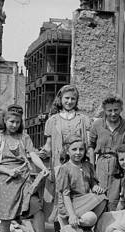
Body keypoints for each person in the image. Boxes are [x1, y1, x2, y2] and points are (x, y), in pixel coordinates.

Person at [0, 107, 50, 232]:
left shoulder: (24, 138)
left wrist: (43, 168)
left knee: (36, 207)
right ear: (4, 121)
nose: (14, 125)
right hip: (4, 182)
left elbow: (33, 155)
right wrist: (8, 171)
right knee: (6, 218)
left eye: (17, 122)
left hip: (23, 180)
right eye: (11, 121)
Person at [40, 85, 91, 222]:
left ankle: (80, 221)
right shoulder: (52, 120)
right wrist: (43, 152)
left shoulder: (83, 119)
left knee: (78, 188)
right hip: (59, 161)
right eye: (66, 98)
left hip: (78, 160)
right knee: (61, 191)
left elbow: (88, 144)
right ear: (60, 99)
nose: (69, 101)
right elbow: (48, 144)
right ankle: (60, 223)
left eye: (73, 99)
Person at [88, 94, 125, 211]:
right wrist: (92, 166)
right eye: (109, 110)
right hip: (100, 165)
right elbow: (91, 146)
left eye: (116, 110)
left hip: (118, 167)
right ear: (104, 110)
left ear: (121, 109)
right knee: (99, 199)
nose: (113, 113)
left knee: (114, 201)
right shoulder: (97, 125)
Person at [56, 136, 107, 228]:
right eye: (74, 149)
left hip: (85, 200)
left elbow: (93, 183)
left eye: (81, 149)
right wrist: (71, 214)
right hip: (72, 202)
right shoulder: (65, 169)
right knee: (90, 217)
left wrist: (95, 187)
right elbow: (65, 195)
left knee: (102, 197)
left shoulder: (88, 166)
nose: (78, 153)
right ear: (67, 151)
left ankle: (89, 226)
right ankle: (71, 221)